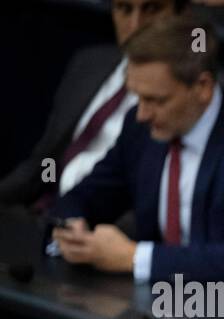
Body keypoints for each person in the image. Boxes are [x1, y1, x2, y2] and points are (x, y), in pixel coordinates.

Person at [50, 14, 224, 284]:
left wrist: (131, 256)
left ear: (202, 87)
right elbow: (84, 197)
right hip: (166, 298)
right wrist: (72, 225)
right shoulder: (139, 128)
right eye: (138, 97)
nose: (142, 114)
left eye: (156, 100)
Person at [0, 0, 186, 210]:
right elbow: (45, 162)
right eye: (125, 9)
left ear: (181, 14)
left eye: (152, 9)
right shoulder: (89, 63)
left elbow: (161, 201)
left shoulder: (191, 91)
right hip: (40, 213)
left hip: (102, 231)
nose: (136, 25)